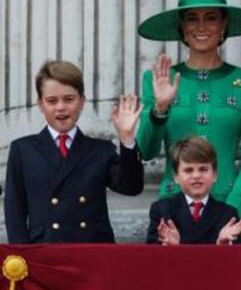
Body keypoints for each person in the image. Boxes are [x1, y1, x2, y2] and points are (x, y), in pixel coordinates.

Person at [136, 0, 241, 224]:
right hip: (173, 210)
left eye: (211, 18)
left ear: (223, 24)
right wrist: (160, 108)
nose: (201, 26)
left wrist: (233, 210)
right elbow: (146, 151)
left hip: (227, 209)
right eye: (191, 19)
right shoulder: (157, 80)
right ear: (182, 27)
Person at [4, 60, 144, 243]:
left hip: (92, 253)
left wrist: (127, 140)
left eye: (69, 99)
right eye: (52, 101)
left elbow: (131, 187)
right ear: (40, 104)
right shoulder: (23, 150)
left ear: (82, 101)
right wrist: (20, 258)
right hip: (45, 252)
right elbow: (14, 210)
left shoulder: (100, 150)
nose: (61, 107)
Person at [147, 136, 241, 245]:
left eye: (203, 169)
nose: (196, 175)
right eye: (188, 170)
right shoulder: (162, 211)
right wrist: (172, 247)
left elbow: (236, 259)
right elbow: (151, 257)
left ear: (215, 174)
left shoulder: (228, 214)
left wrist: (221, 245)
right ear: (176, 176)